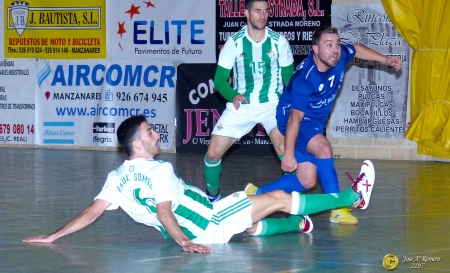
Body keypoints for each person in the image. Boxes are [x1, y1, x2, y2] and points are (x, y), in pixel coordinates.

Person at [22, 115, 375, 253]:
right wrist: (184, 241)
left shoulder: (116, 179)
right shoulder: (157, 172)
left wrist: (53, 236)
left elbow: (91, 211)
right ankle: (352, 197)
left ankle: (300, 224)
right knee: (281, 196)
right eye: (150, 133)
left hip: (204, 225)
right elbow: (163, 212)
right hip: (210, 220)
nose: (156, 134)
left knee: (254, 224)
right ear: (137, 145)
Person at [245, 26, 401, 225]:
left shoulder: (339, 56)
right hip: (293, 118)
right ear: (315, 50)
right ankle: (338, 208)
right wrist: (290, 153)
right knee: (323, 148)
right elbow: (295, 118)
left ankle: (256, 194)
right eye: (328, 45)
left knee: (306, 180)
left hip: (315, 121)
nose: (335, 49)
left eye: (336, 44)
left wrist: (385, 60)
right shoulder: (305, 79)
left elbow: (356, 49)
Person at [203, 0, 295, 201]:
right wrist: (233, 95)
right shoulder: (234, 42)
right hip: (242, 106)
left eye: (265, 11)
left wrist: (291, 108)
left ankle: (293, 202)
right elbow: (219, 80)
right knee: (212, 154)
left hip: (273, 105)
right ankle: (213, 197)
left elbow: (290, 81)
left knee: (285, 152)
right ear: (246, 13)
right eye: (257, 11)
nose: (262, 15)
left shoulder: (279, 42)